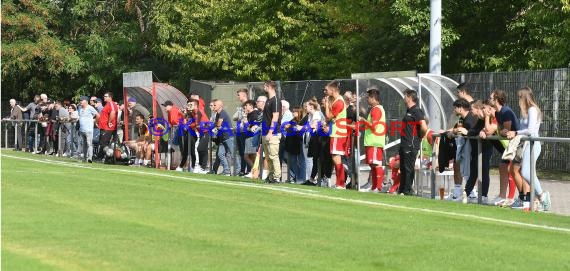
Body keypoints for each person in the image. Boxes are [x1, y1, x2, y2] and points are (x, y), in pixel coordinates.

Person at [505, 87, 551, 211]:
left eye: (520, 97)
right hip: (526, 144)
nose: (518, 99)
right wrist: (511, 132)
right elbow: (523, 129)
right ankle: (537, 199)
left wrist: (516, 132)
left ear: (525, 97)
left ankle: (542, 196)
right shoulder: (526, 111)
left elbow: (530, 130)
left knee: (526, 172)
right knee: (527, 172)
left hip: (533, 144)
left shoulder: (532, 109)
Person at [489, 89, 520, 206]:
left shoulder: (506, 112)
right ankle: (502, 196)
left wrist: (500, 131)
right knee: (503, 167)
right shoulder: (497, 112)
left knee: (514, 170)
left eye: (491, 98)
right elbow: (500, 129)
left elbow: (506, 131)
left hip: (516, 143)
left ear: (496, 99)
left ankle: (513, 197)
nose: (489, 99)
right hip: (510, 145)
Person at [397, 89, 428, 196]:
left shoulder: (417, 111)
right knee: (403, 167)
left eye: (405, 96)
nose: (403, 98)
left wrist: (420, 136)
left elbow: (424, 127)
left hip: (411, 144)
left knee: (408, 167)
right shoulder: (409, 110)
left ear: (410, 97)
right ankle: (401, 190)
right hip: (405, 143)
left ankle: (408, 190)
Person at [358, 88, 386, 192]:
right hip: (372, 141)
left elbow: (374, 126)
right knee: (373, 165)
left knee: (376, 164)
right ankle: (374, 187)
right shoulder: (374, 109)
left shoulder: (377, 109)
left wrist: (363, 120)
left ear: (373, 98)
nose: (368, 100)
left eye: (369, 97)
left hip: (375, 141)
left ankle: (378, 187)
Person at [324, 80, 349, 189]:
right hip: (336, 133)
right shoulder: (336, 101)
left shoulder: (339, 102)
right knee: (335, 158)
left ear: (333, 90)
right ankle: (340, 182)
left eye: (328, 90)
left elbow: (328, 116)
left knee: (336, 158)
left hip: (338, 133)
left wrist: (326, 105)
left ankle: (341, 183)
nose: (326, 92)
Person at [261, 81, 282, 183]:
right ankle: (271, 175)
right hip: (265, 133)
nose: (263, 87)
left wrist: (270, 132)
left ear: (268, 86)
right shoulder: (268, 101)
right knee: (268, 157)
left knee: (274, 156)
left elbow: (275, 117)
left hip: (272, 133)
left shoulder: (276, 100)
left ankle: (277, 176)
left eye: (264, 86)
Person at [283, 106, 305, 183]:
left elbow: (300, 130)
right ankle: (297, 176)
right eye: (293, 111)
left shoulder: (302, 121)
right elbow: (288, 127)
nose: (293, 113)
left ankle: (301, 177)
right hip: (290, 142)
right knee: (291, 160)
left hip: (297, 142)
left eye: (295, 112)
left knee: (300, 161)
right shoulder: (292, 120)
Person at [242, 100, 262, 177]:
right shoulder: (249, 114)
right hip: (248, 136)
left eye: (246, 105)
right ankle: (255, 171)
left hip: (252, 136)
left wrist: (246, 121)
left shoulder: (254, 114)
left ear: (251, 106)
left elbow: (251, 127)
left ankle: (255, 171)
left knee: (249, 155)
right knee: (248, 156)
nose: (245, 107)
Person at [96, 92, 118, 160]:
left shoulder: (111, 104)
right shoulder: (107, 104)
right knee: (103, 143)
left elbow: (113, 112)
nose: (104, 97)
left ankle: (105, 157)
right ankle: (101, 157)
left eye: (106, 96)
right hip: (104, 127)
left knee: (104, 144)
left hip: (108, 128)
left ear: (110, 97)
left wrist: (109, 121)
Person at [77, 96, 100, 163]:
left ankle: (90, 158)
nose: (80, 101)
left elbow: (98, 115)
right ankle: (84, 158)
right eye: (80, 100)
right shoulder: (80, 108)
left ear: (86, 101)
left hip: (89, 130)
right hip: (82, 130)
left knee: (89, 144)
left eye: (82, 100)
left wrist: (95, 121)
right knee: (84, 144)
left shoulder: (90, 108)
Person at [233, 88, 248, 176]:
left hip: (244, 131)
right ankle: (243, 170)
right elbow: (236, 117)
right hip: (239, 130)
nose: (238, 97)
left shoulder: (248, 104)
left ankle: (248, 170)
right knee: (241, 152)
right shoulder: (241, 105)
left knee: (246, 152)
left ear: (244, 95)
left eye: (239, 95)